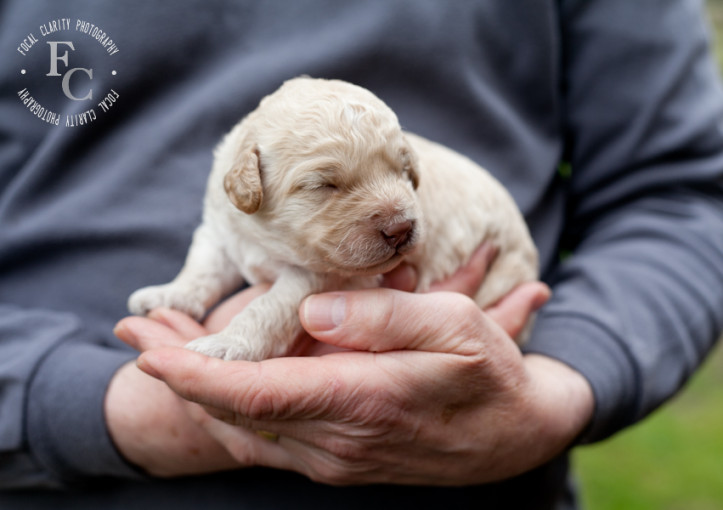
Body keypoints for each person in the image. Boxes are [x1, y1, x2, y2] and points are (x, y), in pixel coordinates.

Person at [1, 1, 722, 508]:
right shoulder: (239, 175)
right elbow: (219, 239)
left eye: (399, 168)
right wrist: (73, 402)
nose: (398, 216)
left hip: (482, 484)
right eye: (328, 185)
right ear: (246, 181)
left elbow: (682, 192)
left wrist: (558, 389)